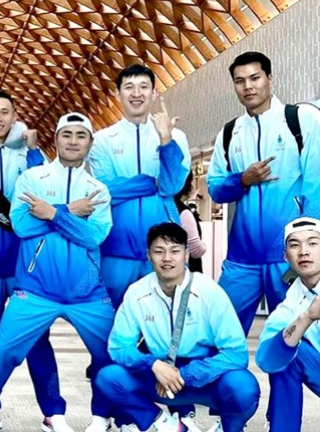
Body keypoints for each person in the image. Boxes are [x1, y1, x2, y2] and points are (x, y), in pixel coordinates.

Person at [0, 112, 115, 432]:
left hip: (87, 292)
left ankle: (101, 416)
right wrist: (70, 212)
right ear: (56, 139)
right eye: (67, 134)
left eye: (80, 135)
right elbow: (21, 225)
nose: (73, 141)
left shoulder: (98, 189)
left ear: (90, 142)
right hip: (35, 289)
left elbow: (93, 236)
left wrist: (51, 215)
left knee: (110, 353)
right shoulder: (33, 179)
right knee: (1, 351)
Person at [95, 223, 259, 432]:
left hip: (204, 375)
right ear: (148, 255)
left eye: (174, 251)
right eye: (159, 251)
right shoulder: (137, 293)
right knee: (109, 377)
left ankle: (228, 428)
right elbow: (119, 347)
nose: (167, 258)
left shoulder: (209, 291)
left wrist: (184, 374)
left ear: (186, 254)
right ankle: (165, 423)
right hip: (158, 376)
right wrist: (154, 365)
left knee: (243, 387)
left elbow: (236, 354)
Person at [0, 90, 63, 432]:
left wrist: (35, 152)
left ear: (14, 115)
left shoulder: (30, 153)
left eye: (4, 112)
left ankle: (53, 410)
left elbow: (49, 193)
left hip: (26, 266)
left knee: (37, 338)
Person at [207, 51, 320, 335]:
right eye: (240, 81)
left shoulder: (300, 120)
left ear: (270, 78)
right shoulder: (229, 133)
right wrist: (242, 180)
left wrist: (305, 250)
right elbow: (215, 189)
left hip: (286, 257)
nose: (248, 86)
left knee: (293, 339)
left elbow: (316, 188)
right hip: (241, 259)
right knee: (218, 335)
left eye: (255, 78)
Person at [89, 64, 190, 308]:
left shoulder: (176, 137)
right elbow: (105, 191)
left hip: (163, 250)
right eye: (129, 87)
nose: (136, 93)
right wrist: (150, 182)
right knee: (114, 321)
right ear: (118, 94)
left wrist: (166, 141)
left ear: (154, 93)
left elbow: (172, 186)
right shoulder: (102, 140)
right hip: (115, 249)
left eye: (144, 87)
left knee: (165, 319)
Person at [255, 215, 320, 431]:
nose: (303, 251)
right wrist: (307, 317)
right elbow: (266, 360)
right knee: (286, 348)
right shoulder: (290, 305)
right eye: (294, 245)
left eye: (313, 243)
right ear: (286, 256)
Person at [175, 173, 206, 273]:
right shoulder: (184, 212)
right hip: (186, 270)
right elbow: (196, 251)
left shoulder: (163, 207)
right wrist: (203, 247)